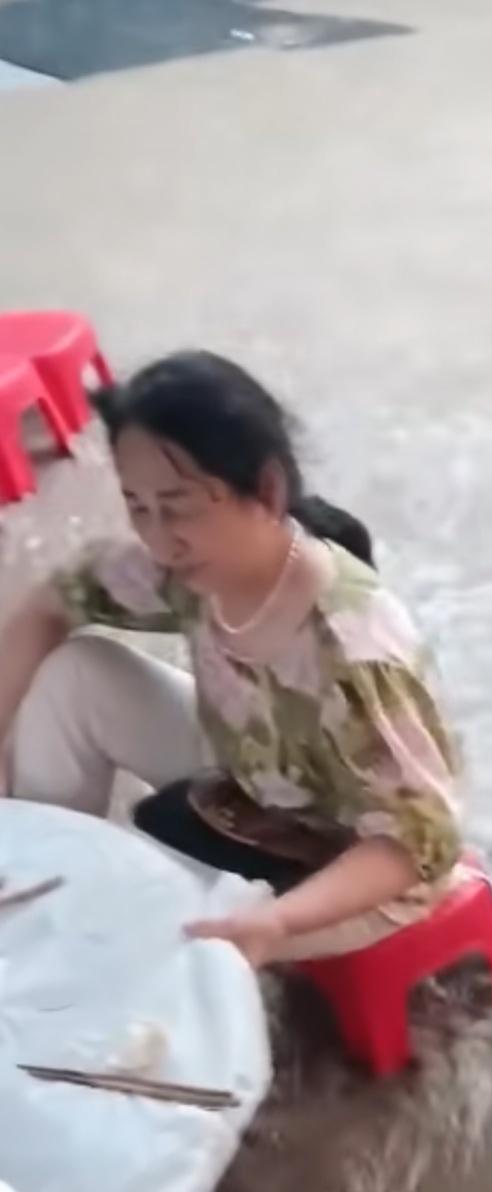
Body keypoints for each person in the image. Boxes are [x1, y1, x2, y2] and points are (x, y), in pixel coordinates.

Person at [0, 350, 462, 967]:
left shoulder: (357, 652)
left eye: (179, 506)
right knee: (76, 676)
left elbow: (417, 842)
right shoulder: (192, 571)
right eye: (139, 507)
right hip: (252, 768)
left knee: (162, 944)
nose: (159, 538)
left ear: (267, 491)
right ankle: (41, 872)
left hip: (359, 859)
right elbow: (54, 600)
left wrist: (278, 921)